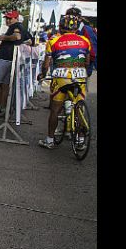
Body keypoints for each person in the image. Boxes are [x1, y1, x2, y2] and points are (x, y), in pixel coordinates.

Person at [37, 14, 90, 149]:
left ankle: (49, 140)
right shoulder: (85, 40)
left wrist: (42, 74)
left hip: (61, 77)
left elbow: (47, 63)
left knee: (55, 109)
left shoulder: (53, 41)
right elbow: (87, 61)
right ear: (77, 28)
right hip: (80, 76)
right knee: (79, 107)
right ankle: (80, 139)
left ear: (60, 27)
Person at [0, 10, 28, 118]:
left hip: (4, 58)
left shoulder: (16, 26)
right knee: (5, 85)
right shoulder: (20, 27)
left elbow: (16, 37)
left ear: (16, 18)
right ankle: (3, 109)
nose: (7, 20)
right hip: (10, 58)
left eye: (10, 18)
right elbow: (28, 41)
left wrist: (4, 37)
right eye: (6, 18)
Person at [65, 7, 97, 76]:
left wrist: (89, 64)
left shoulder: (86, 29)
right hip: (65, 62)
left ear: (79, 18)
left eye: (73, 17)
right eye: (67, 17)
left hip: (82, 63)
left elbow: (93, 48)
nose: (70, 20)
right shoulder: (63, 29)